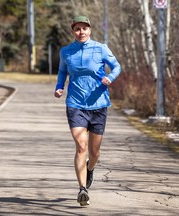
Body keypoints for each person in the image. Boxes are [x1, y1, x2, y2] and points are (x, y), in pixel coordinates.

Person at [54, 15, 121, 206]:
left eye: (84, 28)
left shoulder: (100, 48)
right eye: (77, 29)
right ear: (73, 31)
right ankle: (82, 189)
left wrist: (110, 78)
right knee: (81, 146)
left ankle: (90, 169)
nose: (81, 32)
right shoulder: (66, 51)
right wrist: (59, 86)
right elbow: (62, 72)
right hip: (75, 104)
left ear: (90, 30)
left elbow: (117, 66)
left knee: (94, 152)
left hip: (99, 105)